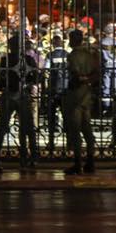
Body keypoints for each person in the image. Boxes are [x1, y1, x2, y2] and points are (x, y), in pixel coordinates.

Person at [0, 36, 40, 169]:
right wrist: (30, 84)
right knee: (28, 127)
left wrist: (2, 86)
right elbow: (37, 76)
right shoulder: (28, 59)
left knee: (2, 127)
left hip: (9, 94)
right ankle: (31, 156)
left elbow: (0, 79)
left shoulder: (5, 59)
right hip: (23, 94)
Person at [63, 29, 100, 175]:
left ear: (73, 40)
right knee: (87, 129)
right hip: (87, 94)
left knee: (76, 130)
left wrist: (81, 79)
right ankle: (90, 161)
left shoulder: (73, 56)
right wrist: (89, 81)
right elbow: (97, 73)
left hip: (76, 94)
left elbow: (75, 74)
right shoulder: (90, 55)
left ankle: (77, 163)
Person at [43, 34, 69, 151]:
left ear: (53, 44)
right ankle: (69, 142)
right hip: (65, 88)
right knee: (67, 116)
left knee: (51, 117)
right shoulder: (67, 55)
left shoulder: (50, 55)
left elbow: (46, 69)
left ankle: (51, 142)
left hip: (54, 88)